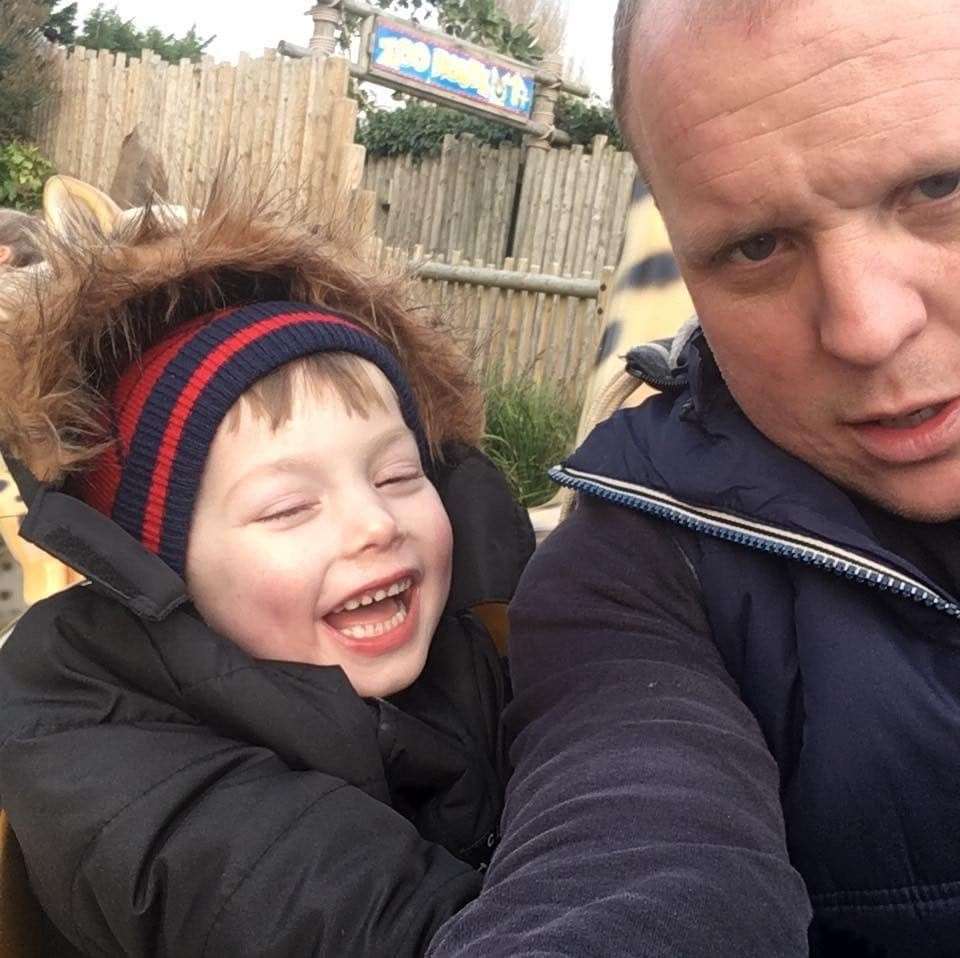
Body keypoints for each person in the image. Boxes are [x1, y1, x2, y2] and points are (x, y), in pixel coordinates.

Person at [427, 0, 960, 956]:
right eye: (755, 247)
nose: (866, 328)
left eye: (939, 186)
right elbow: (632, 852)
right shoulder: (634, 574)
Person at [0, 182, 533, 956]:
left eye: (397, 476)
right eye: (288, 508)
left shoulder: (476, 651)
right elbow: (336, 915)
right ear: (157, 572)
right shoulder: (101, 749)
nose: (375, 523)